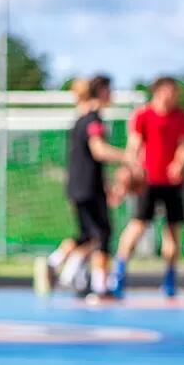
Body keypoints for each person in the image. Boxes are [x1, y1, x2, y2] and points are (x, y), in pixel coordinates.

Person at [34, 75, 133, 299]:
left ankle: (59, 265)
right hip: (87, 187)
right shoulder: (93, 120)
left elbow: (90, 160)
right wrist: (126, 157)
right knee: (101, 234)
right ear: (101, 92)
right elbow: (98, 151)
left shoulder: (81, 119)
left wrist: (105, 185)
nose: (113, 94)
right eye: (110, 89)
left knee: (88, 234)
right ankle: (99, 287)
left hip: (81, 185)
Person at [111, 76, 184, 298]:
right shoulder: (144, 115)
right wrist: (130, 172)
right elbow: (134, 145)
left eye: (175, 92)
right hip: (147, 182)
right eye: (168, 91)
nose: (172, 96)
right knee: (137, 225)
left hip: (172, 183)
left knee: (172, 231)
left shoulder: (180, 117)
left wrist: (178, 163)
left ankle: (170, 278)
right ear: (158, 92)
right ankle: (118, 274)